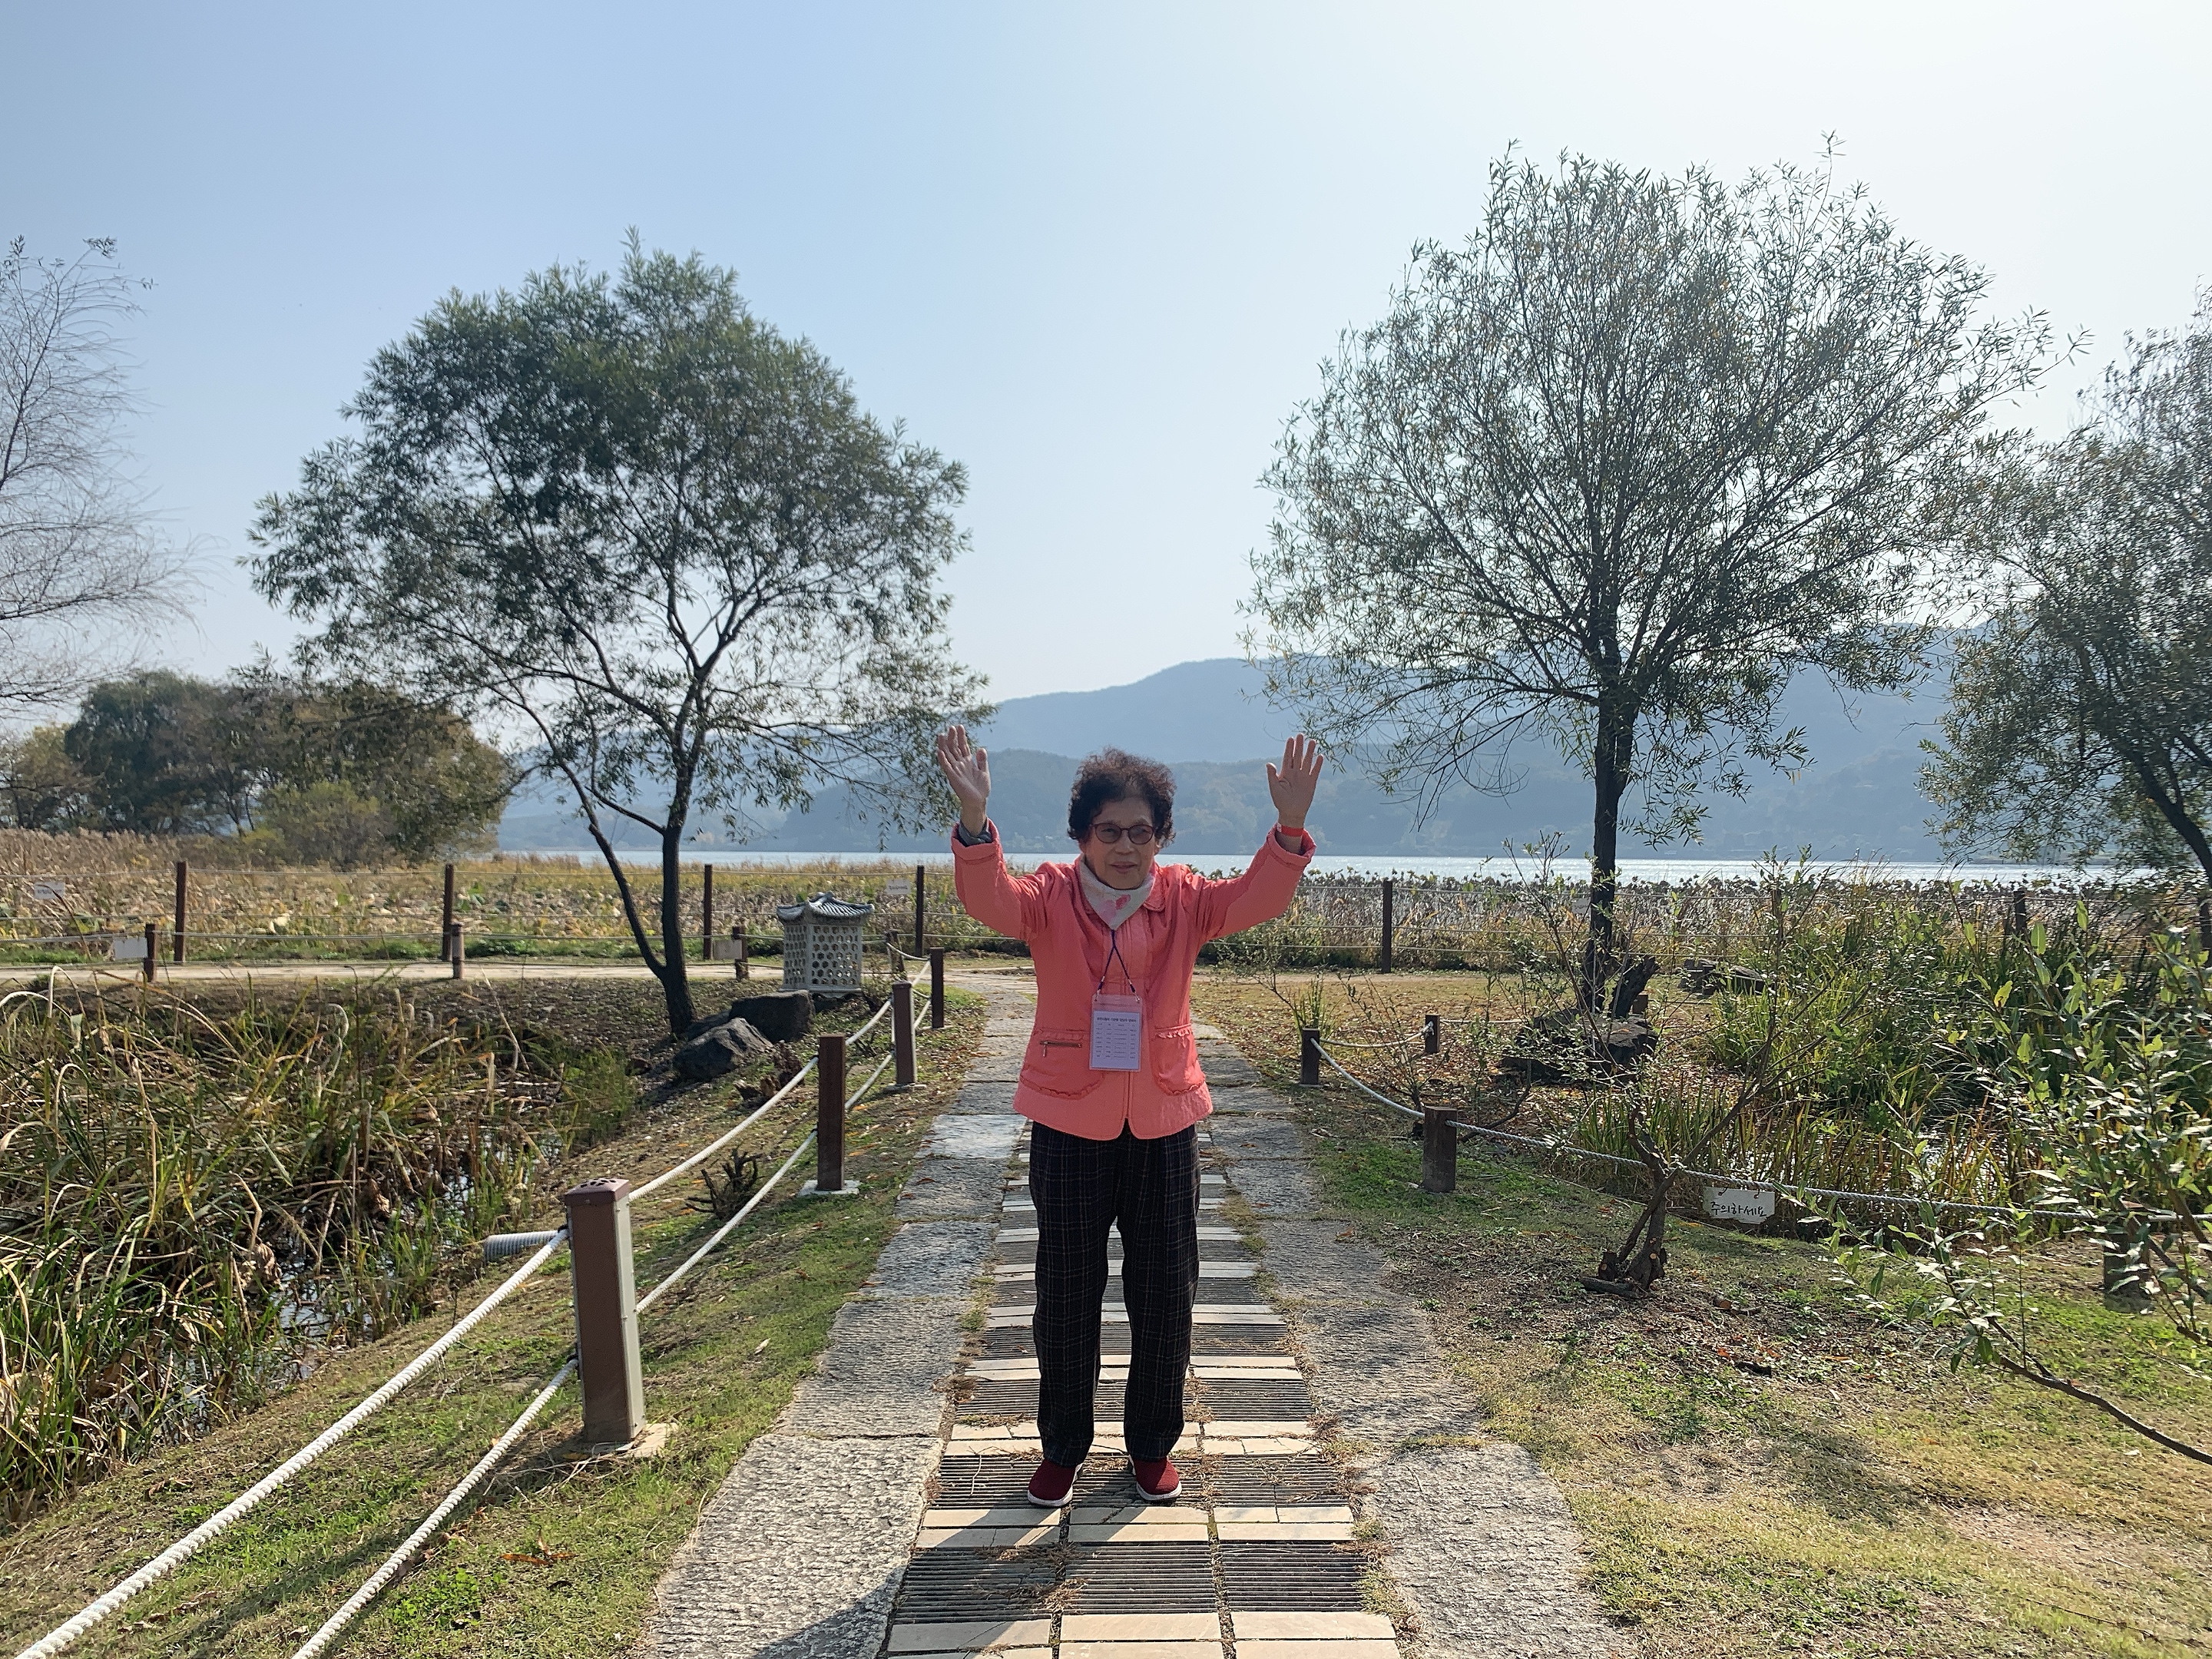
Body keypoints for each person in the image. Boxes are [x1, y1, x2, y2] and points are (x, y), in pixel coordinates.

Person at [936, 725, 1324, 1506]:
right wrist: (975, 824)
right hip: (1068, 1121)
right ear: (1082, 835)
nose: (1124, 846)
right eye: (1108, 830)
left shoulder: (1185, 901)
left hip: (1163, 1121)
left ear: (1162, 837)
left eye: (1140, 831)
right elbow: (988, 899)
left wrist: (1289, 826)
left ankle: (1151, 1445)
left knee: (1165, 1291)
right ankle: (1063, 1447)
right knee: (1065, 1292)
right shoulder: (1048, 897)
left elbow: (1259, 898)